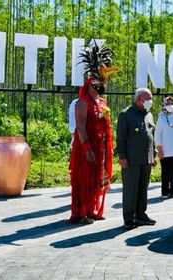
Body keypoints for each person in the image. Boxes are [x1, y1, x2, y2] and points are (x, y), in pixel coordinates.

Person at [68, 42, 118, 224]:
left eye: (101, 83)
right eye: (97, 84)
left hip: (102, 148)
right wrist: (87, 147)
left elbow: (106, 125)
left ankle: (95, 210)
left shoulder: (103, 102)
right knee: (85, 179)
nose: (101, 85)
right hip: (87, 148)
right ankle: (83, 213)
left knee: (98, 178)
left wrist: (109, 146)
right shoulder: (82, 103)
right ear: (90, 85)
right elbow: (80, 127)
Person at [116, 88, 158, 229]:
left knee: (142, 189)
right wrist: (122, 156)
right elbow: (120, 138)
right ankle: (128, 218)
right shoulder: (126, 114)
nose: (150, 102)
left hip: (146, 158)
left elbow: (153, 136)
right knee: (130, 189)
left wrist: (154, 154)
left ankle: (141, 215)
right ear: (139, 99)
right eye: (148, 99)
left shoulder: (149, 115)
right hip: (131, 159)